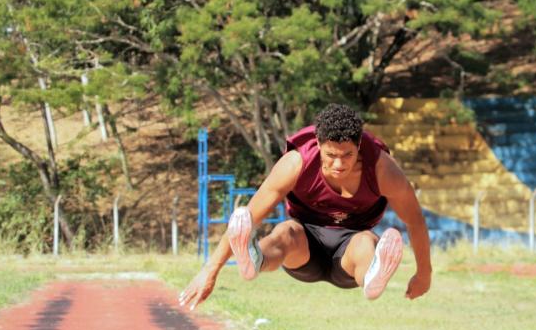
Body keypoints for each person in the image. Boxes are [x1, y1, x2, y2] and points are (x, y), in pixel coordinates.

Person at [179, 103, 431, 311]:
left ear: (359, 147)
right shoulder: (296, 163)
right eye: (331, 155)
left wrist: (424, 274)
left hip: (351, 246)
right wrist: (210, 270)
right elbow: (249, 217)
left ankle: (372, 277)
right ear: (319, 145)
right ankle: (255, 258)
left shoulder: (381, 167)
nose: (339, 164)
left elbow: (415, 220)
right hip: (306, 241)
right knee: (286, 232)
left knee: (366, 242)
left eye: (348, 155)